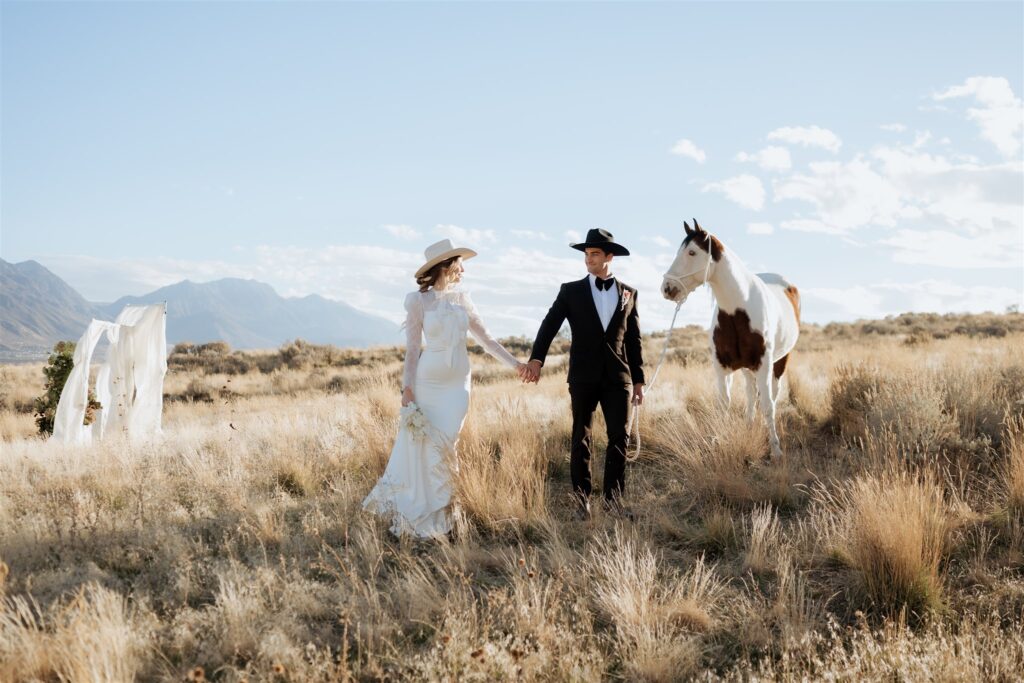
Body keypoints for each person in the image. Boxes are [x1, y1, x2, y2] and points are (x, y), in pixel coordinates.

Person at [363, 238, 527, 538]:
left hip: (457, 385)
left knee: (447, 441)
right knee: (426, 443)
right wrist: (407, 388)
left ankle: (447, 509)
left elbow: (487, 341)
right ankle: (427, 512)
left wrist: (517, 365)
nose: (463, 269)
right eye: (460, 263)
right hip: (428, 382)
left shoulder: (463, 299)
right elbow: (413, 350)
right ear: (447, 265)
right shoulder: (418, 302)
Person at [523, 228, 645, 521]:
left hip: (619, 378)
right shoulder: (571, 291)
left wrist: (639, 380)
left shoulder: (629, 293)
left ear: (609, 257)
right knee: (582, 437)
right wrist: (536, 359)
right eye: (587, 254)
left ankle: (614, 502)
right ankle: (582, 504)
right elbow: (549, 324)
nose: (588, 260)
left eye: (594, 254)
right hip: (583, 376)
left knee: (619, 438)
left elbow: (634, 340)